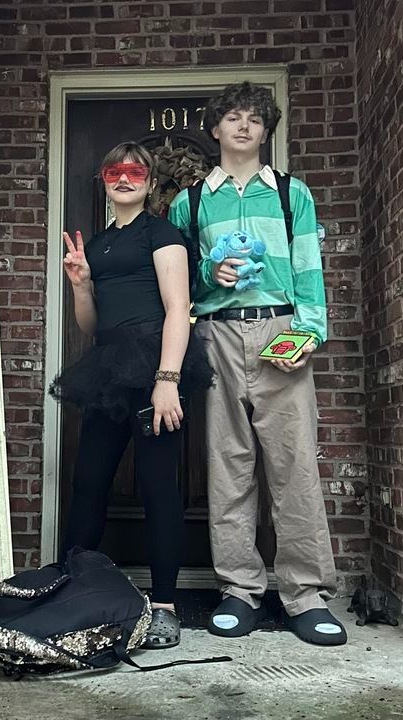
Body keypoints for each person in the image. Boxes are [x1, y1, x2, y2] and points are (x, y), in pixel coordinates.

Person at [168, 82, 347, 646]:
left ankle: (304, 594)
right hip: (217, 334)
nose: (244, 126)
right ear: (215, 129)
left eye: (254, 119)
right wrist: (207, 278)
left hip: (281, 332)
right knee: (230, 464)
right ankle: (238, 589)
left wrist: (309, 330)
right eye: (233, 118)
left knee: (293, 465)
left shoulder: (292, 193)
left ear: (266, 130)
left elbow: (308, 268)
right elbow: (178, 282)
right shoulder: (191, 201)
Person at [50, 142, 213, 649]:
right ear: (104, 178)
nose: (125, 179)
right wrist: (80, 284)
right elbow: (90, 325)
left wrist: (166, 381)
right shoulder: (95, 245)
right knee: (90, 481)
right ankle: (72, 586)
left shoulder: (163, 234)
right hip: (109, 367)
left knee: (159, 484)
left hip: (154, 367)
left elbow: (177, 308)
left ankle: (164, 605)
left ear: (148, 180)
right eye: (115, 170)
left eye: (135, 171)